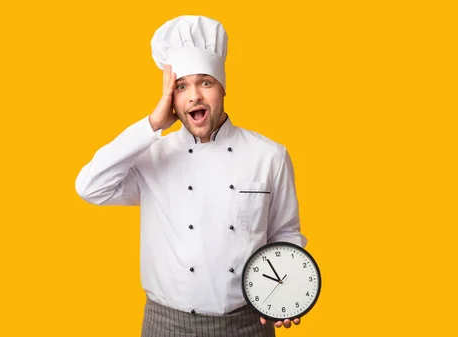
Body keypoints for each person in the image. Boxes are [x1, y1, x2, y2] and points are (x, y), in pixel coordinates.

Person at [75, 15, 307, 337]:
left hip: (247, 325)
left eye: (205, 82)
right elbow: (90, 186)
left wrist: (286, 291)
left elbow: (284, 234)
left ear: (223, 87)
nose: (194, 96)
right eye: (181, 86)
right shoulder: (151, 156)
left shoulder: (269, 155)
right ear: (171, 98)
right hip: (166, 325)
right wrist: (151, 125)